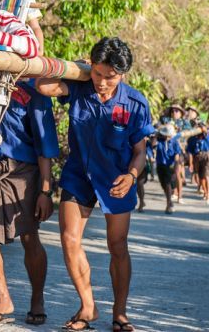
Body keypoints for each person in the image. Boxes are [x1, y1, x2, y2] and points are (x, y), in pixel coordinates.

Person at [36, 37, 154, 332]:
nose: (102, 82)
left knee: (117, 246)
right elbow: (43, 86)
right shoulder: (79, 88)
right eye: (98, 74)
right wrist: (78, 69)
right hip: (80, 175)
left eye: (110, 77)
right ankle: (87, 307)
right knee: (68, 238)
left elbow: (140, 152)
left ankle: (120, 313)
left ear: (123, 74)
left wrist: (131, 176)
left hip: (118, 179)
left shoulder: (135, 102)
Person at [0, 78, 59, 326]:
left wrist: (45, 192)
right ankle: (3, 299)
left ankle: (37, 299)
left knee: (29, 237)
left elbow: (45, 146)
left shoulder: (32, 91)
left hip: (22, 172)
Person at [155, 124, 182, 214]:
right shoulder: (159, 140)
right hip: (160, 166)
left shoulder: (174, 142)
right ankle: (170, 202)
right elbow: (153, 145)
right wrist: (156, 135)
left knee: (168, 184)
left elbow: (177, 157)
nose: (167, 136)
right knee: (164, 185)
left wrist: (175, 171)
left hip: (169, 166)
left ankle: (168, 204)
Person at [187, 122, 209, 205]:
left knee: (207, 176)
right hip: (197, 157)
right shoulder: (192, 139)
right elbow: (190, 152)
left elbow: (206, 132)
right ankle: (205, 192)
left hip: (207, 156)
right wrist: (190, 163)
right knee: (201, 178)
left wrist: (203, 128)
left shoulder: (206, 137)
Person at [136, 134, 156, 213]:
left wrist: (152, 173)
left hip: (144, 165)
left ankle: (141, 202)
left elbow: (151, 159)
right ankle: (141, 201)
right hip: (135, 163)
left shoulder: (148, 145)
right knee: (138, 184)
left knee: (140, 183)